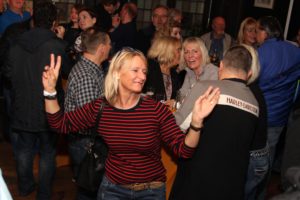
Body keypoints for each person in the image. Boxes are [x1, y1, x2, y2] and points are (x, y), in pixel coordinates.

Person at [42, 48, 220, 200]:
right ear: (117, 73)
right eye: (135, 70)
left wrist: (196, 124)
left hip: (151, 191)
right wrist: (50, 92)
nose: (142, 76)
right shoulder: (101, 107)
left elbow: (184, 150)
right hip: (113, 189)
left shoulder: (156, 111)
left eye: (144, 71)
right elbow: (60, 124)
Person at [170, 45, 259, 200]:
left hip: (197, 181)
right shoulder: (254, 103)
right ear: (249, 73)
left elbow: (175, 127)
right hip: (233, 183)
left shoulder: (206, 89)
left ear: (221, 65)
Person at [2, 2, 71, 199]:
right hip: (48, 109)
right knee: (47, 153)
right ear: (54, 22)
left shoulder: (16, 44)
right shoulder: (57, 45)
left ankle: (25, 187)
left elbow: (7, 73)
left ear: (33, 19)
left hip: (22, 106)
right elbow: (68, 71)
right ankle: (43, 193)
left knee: (24, 150)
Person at [255, 16, 300, 199]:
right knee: (270, 155)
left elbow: (253, 82)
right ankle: (262, 193)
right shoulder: (295, 51)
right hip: (281, 115)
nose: (256, 35)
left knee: (254, 159)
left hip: (260, 114)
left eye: (257, 30)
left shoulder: (260, 53)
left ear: (264, 32)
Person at [65, 27, 111, 200]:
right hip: (85, 142)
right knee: (89, 188)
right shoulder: (86, 75)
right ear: (101, 48)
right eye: (109, 45)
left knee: (88, 187)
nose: (110, 48)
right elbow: (90, 118)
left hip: (85, 141)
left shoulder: (93, 69)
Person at [237, 19, 269, 200]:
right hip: (257, 150)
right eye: (249, 30)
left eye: (255, 30)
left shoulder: (249, 88)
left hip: (254, 153)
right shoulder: (241, 51)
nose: (253, 34)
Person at [143, 36, 182, 109]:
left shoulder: (174, 74)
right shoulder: (148, 70)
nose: (181, 53)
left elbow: (177, 98)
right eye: (178, 50)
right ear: (168, 51)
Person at [179, 37, 218, 102]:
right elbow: (181, 96)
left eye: (195, 51)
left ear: (203, 53)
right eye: (186, 52)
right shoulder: (189, 72)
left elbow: (207, 100)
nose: (190, 55)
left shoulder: (213, 72)